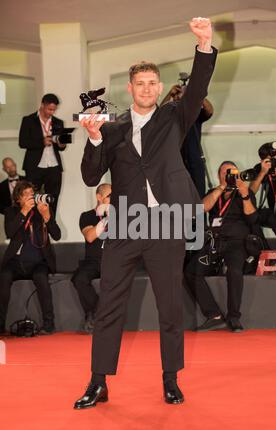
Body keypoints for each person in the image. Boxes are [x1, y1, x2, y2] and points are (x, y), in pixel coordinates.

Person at [74, 17, 217, 409]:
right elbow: (90, 176)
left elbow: (199, 87)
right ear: (130, 88)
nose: (148, 88)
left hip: (166, 222)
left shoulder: (175, 116)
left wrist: (204, 45)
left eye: (154, 82)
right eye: (141, 83)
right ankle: (98, 382)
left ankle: (171, 379)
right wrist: (93, 138)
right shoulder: (113, 128)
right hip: (124, 225)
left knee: (170, 305)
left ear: (158, 86)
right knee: (109, 306)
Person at [184, 161, 258, 333]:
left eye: (232, 172)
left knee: (234, 272)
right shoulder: (214, 192)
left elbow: (253, 219)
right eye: (225, 172)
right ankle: (214, 315)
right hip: (214, 244)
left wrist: (244, 194)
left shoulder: (244, 193)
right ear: (219, 175)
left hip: (236, 244)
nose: (229, 175)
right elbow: (201, 208)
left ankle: (234, 317)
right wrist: (221, 188)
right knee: (191, 271)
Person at [0, 180, 61, 335]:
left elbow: (57, 235)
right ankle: (0, 325)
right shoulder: (11, 212)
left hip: (38, 262)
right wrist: (24, 212)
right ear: (18, 198)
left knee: (41, 277)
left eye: (32, 194)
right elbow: (10, 232)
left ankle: (49, 325)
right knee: (4, 277)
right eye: (26, 195)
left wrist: (47, 217)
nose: (30, 198)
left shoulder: (42, 211)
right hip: (15, 262)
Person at [18, 93, 68, 216]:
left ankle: (50, 224)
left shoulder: (58, 122)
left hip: (54, 166)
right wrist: (42, 142)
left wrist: (62, 144)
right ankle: (32, 225)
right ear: (42, 105)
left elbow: (62, 147)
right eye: (49, 109)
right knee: (31, 197)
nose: (51, 112)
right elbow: (22, 142)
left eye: (54, 110)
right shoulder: (28, 120)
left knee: (53, 198)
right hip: (35, 166)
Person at [71, 183, 111, 333]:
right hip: (93, 262)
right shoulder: (87, 216)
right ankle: (97, 313)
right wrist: (107, 219)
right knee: (79, 278)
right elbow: (90, 236)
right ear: (99, 197)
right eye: (109, 196)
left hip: (113, 261)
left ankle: (94, 316)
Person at [161, 87, 213, 198]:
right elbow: (157, 116)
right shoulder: (169, 116)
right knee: (176, 197)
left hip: (195, 162)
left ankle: (195, 215)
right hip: (174, 163)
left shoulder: (194, 114)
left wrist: (197, 93)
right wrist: (170, 94)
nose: (180, 98)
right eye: (177, 96)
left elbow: (210, 110)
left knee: (198, 197)